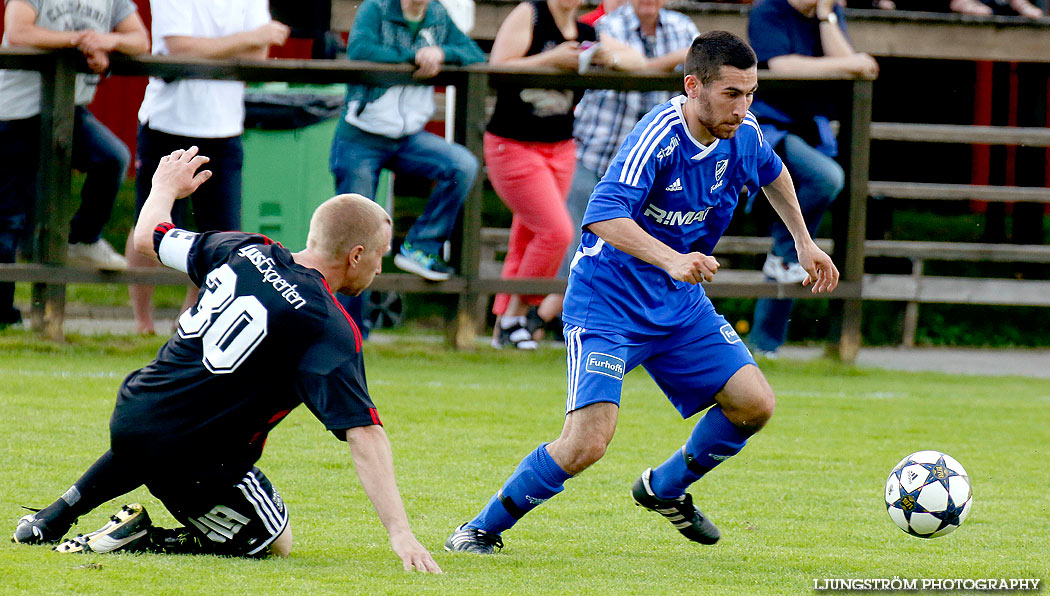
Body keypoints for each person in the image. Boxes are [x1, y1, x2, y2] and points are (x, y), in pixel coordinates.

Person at [446, 31, 839, 554]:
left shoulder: (742, 133)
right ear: (692, 85)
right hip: (608, 303)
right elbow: (602, 215)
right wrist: (674, 259)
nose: (743, 108)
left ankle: (665, 489)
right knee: (588, 443)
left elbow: (773, 172)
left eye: (750, 94)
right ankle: (480, 529)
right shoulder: (659, 134)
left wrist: (803, 241)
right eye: (731, 94)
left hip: (677, 303)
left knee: (754, 404)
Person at [12, 147, 442, 572]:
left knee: (166, 427)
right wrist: (400, 532)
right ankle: (144, 537)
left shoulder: (244, 247)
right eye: (381, 254)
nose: (380, 269)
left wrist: (163, 186)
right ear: (357, 255)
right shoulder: (327, 325)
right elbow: (364, 434)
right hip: (194, 460)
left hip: (132, 414)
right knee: (274, 539)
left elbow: (147, 238)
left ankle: (53, 517)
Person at [531, 0, 701, 338]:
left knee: (629, 252)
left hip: (652, 171)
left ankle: (545, 320)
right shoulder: (606, 26)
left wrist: (642, 64)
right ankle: (543, 321)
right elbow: (634, 65)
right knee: (572, 243)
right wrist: (669, 62)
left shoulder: (684, 28)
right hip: (595, 151)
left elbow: (704, 69)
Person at [486, 0, 644, 349]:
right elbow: (496, 68)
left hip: (561, 146)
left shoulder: (587, 32)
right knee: (557, 232)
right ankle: (515, 315)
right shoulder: (531, 14)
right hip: (513, 143)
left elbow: (637, 61)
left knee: (526, 239)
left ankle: (503, 327)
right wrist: (550, 60)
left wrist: (605, 57)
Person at [126, 0, 290, 335]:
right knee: (150, 222)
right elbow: (180, 48)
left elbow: (257, 56)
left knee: (222, 235)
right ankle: (141, 322)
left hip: (224, 128)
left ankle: (187, 323)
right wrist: (247, 37)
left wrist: (224, 46)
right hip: (168, 122)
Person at [0, 0, 149, 327]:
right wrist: (80, 40)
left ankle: (82, 238)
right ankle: (4, 317)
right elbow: (18, 30)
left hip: (67, 107)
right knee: (8, 220)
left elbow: (140, 39)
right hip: (13, 112)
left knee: (112, 158)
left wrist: (108, 41)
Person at [744, 0, 874, 357]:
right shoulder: (767, 10)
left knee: (795, 244)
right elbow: (783, 66)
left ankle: (765, 344)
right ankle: (785, 255)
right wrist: (848, 63)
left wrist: (826, 16)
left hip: (808, 131)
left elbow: (853, 66)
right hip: (764, 128)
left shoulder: (826, 13)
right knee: (827, 178)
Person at [329, 0, 485, 284]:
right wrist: (414, 57)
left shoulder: (437, 13)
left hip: (408, 137)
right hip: (361, 136)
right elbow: (360, 50)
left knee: (462, 164)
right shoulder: (375, 8)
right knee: (354, 239)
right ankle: (352, 327)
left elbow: (474, 54)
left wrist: (440, 52)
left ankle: (421, 247)